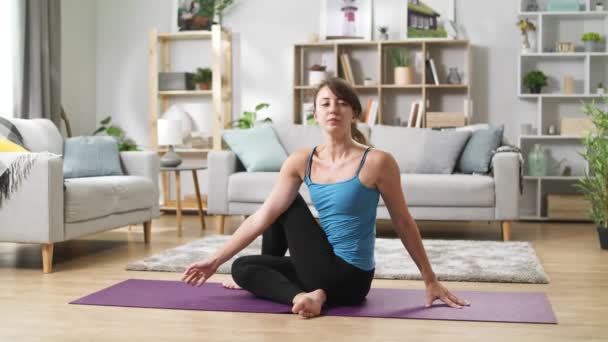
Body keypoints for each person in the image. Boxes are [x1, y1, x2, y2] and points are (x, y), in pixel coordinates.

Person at [182, 77, 470, 318]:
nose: (334, 109)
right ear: (315, 114)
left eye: (342, 102)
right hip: (318, 271)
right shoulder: (301, 161)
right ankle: (306, 296)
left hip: (352, 278)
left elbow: (404, 222)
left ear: (354, 112)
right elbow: (263, 216)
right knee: (242, 267)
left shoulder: (377, 162)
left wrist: (430, 279)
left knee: (288, 204)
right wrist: (214, 261)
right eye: (325, 103)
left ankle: (306, 291)